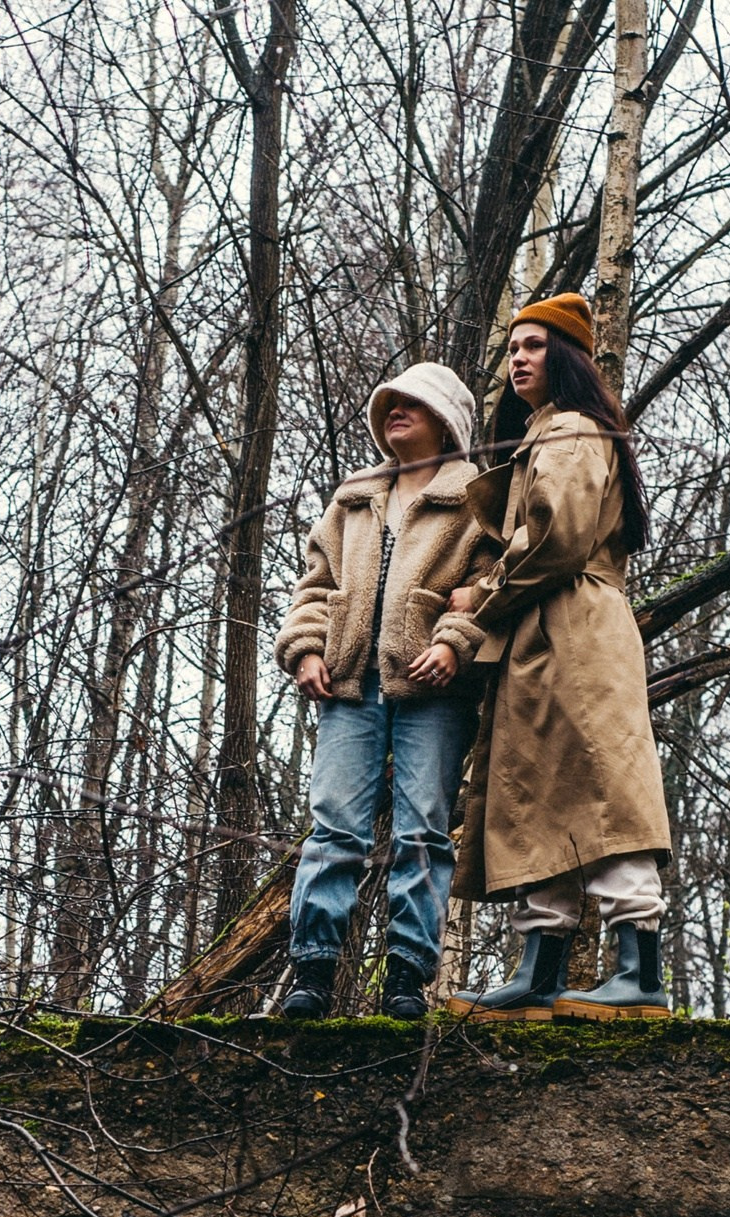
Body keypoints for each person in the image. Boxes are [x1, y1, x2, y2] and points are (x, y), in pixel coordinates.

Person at [431, 293, 673, 1021]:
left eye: (535, 346)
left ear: (565, 358)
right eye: (513, 348)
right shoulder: (549, 432)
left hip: (575, 631)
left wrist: (482, 596)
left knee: (603, 790)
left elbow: (555, 540)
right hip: (541, 635)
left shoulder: (570, 430)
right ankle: (538, 971)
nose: (518, 358)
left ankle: (639, 972)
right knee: (542, 798)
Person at [272, 362, 496, 1020]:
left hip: (434, 691)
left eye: (412, 404)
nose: (395, 411)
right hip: (348, 686)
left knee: (423, 831)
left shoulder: (473, 496)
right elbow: (315, 585)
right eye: (389, 403)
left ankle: (406, 980)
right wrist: (307, 651)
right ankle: (312, 973)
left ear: (445, 422)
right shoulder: (354, 495)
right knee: (333, 828)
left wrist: (453, 641)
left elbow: (489, 585)